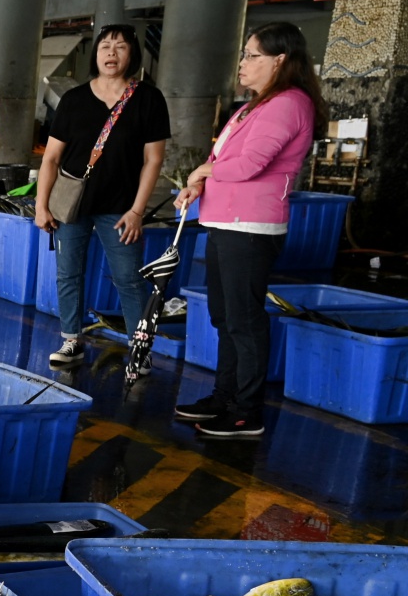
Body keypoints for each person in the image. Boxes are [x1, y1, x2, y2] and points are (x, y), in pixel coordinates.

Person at [173, 22, 323, 439]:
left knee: (244, 319)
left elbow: (249, 164)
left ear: (280, 60)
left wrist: (205, 171)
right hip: (224, 221)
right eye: (244, 55)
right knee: (225, 316)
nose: (243, 63)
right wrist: (196, 183)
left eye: (252, 55)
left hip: (252, 227)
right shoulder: (252, 106)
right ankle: (224, 396)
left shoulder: (290, 104)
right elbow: (220, 155)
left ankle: (246, 411)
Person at [35, 23, 170, 371]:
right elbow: (50, 158)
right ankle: (71, 341)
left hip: (121, 208)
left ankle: (140, 349)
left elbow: (153, 160)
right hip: (72, 204)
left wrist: (138, 210)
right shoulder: (74, 99)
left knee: (128, 277)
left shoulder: (148, 99)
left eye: (120, 47)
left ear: (133, 54)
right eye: (105, 46)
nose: (111, 53)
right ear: (95, 54)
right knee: (68, 273)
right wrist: (41, 205)